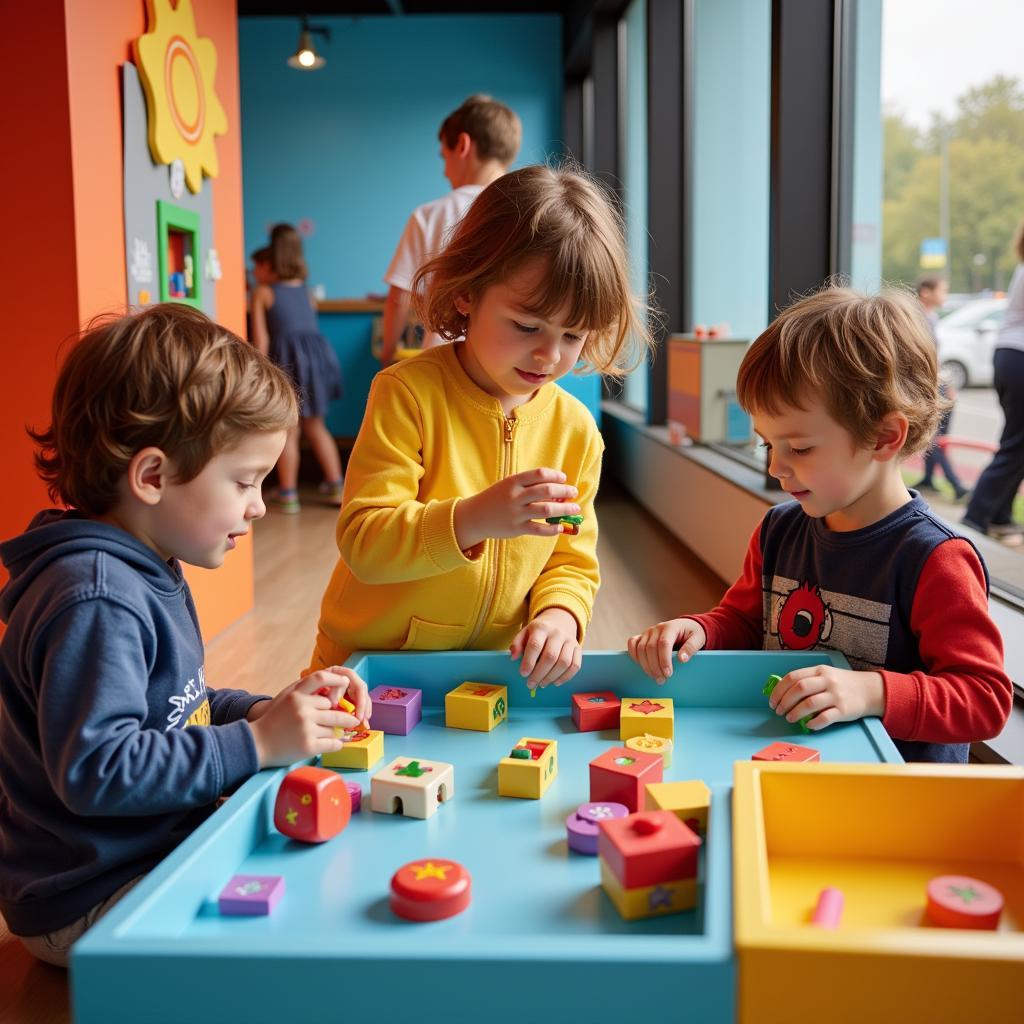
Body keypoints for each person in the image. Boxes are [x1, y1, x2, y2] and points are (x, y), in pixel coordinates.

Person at [0, 304, 370, 966]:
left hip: (137, 857)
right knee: (293, 933)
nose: (258, 505)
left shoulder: (142, 563)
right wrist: (255, 744)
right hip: (93, 895)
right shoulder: (97, 597)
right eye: (244, 481)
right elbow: (98, 770)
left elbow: (174, 706)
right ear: (151, 477)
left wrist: (259, 710)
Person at [627, 286, 1012, 763]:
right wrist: (700, 629)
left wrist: (873, 693)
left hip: (891, 795)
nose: (776, 468)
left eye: (800, 448)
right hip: (790, 761)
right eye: (768, 445)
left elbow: (984, 698)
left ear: (885, 437)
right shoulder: (779, 530)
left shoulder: (935, 558)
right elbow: (745, 621)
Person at [312, 164, 652, 689]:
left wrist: (560, 614)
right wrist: (471, 519)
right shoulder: (407, 394)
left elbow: (570, 558)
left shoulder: (576, 430)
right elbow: (364, 543)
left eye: (573, 335)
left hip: (491, 676)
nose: (548, 353)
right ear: (467, 292)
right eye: (526, 325)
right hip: (370, 668)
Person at [380, 94, 522, 364]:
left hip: (443, 364)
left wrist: (387, 357)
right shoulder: (527, 213)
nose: (445, 171)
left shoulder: (429, 215)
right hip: (511, 362)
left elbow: (399, 299)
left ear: (463, 145)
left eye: (444, 157)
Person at [251, 224, 344, 513]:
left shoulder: (264, 292)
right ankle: (336, 485)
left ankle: (289, 492)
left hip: (287, 361)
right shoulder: (306, 291)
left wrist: (260, 371)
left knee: (289, 429)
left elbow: (261, 337)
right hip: (317, 360)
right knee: (317, 426)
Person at [963, 218, 1024, 540]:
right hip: (1019, 358)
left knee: (1016, 442)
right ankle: (976, 517)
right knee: (1016, 445)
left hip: (1009, 357)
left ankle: (997, 514)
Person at [912, 275, 969, 501]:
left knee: (939, 432)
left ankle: (928, 479)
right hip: (927, 383)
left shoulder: (931, 317)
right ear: (926, 292)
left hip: (936, 381)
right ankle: (956, 484)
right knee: (935, 435)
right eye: (942, 291)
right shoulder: (917, 318)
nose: (944, 296)